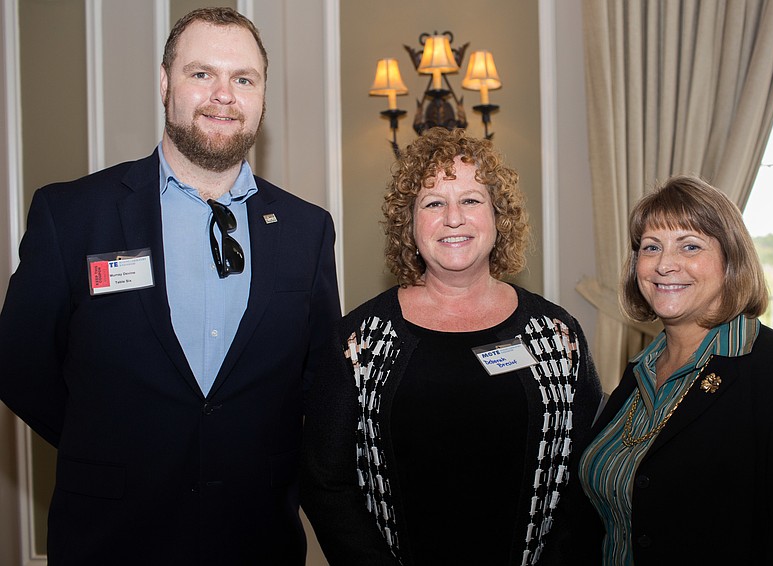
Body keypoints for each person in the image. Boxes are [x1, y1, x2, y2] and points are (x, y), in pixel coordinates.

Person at [0, 7, 340, 565]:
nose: (223, 95)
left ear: (262, 96)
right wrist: (105, 441)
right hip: (110, 538)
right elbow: (19, 363)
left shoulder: (307, 230)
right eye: (201, 73)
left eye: (243, 78)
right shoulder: (73, 214)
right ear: (165, 83)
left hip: (255, 538)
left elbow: (318, 383)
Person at [300, 127, 602, 565]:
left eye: (471, 200)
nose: (453, 218)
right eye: (434, 202)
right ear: (410, 222)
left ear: (499, 216)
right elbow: (326, 482)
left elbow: (585, 473)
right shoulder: (359, 341)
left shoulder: (555, 335)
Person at [573, 174, 773, 564]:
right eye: (652, 247)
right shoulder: (639, 373)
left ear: (731, 261)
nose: (666, 264)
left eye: (690, 246)